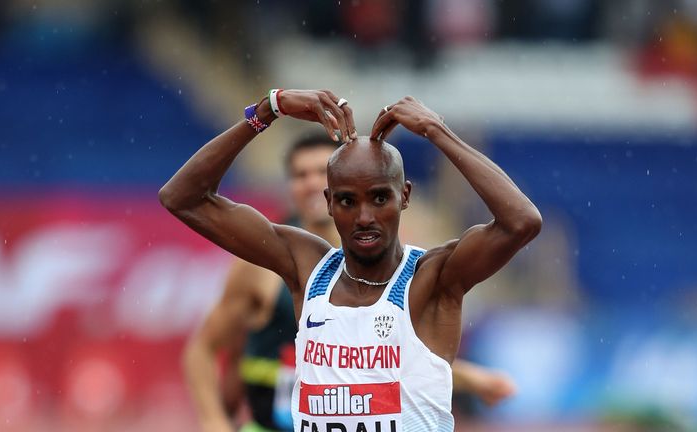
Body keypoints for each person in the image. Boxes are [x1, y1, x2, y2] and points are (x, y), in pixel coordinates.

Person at [160, 89, 541, 431]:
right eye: (347, 200)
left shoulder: (433, 278)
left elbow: (520, 223)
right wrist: (268, 109)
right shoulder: (306, 267)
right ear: (329, 203)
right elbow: (182, 198)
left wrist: (436, 131)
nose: (364, 217)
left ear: (404, 196)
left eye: (379, 198)